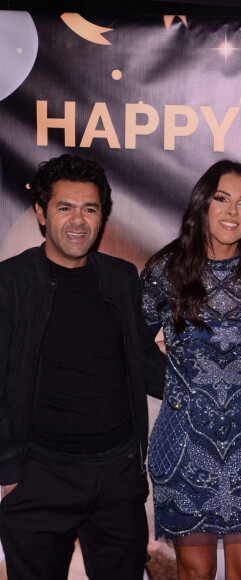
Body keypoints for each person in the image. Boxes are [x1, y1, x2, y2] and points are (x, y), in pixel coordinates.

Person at [0, 154, 166, 580]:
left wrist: (212, 377)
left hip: (117, 480)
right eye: (64, 207)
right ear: (41, 212)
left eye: (90, 209)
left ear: (102, 216)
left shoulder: (122, 277)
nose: (78, 221)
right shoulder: (10, 283)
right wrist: (8, 472)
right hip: (39, 478)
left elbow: (145, 364)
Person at [141, 160, 241, 580]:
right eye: (221, 199)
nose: (231, 212)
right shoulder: (164, 271)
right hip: (184, 445)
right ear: (203, 204)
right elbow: (142, 339)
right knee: (195, 573)